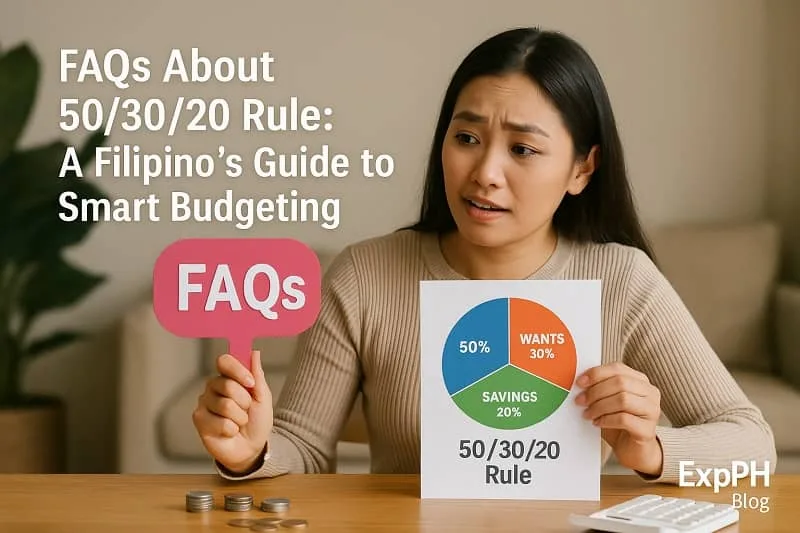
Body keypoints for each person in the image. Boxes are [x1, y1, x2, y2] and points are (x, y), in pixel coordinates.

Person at [191, 27, 776, 484]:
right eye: (466, 138)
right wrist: (251, 452)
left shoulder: (622, 281)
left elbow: (752, 444)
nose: (485, 174)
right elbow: (305, 451)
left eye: (523, 148)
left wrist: (652, 451)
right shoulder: (365, 275)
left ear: (582, 169)